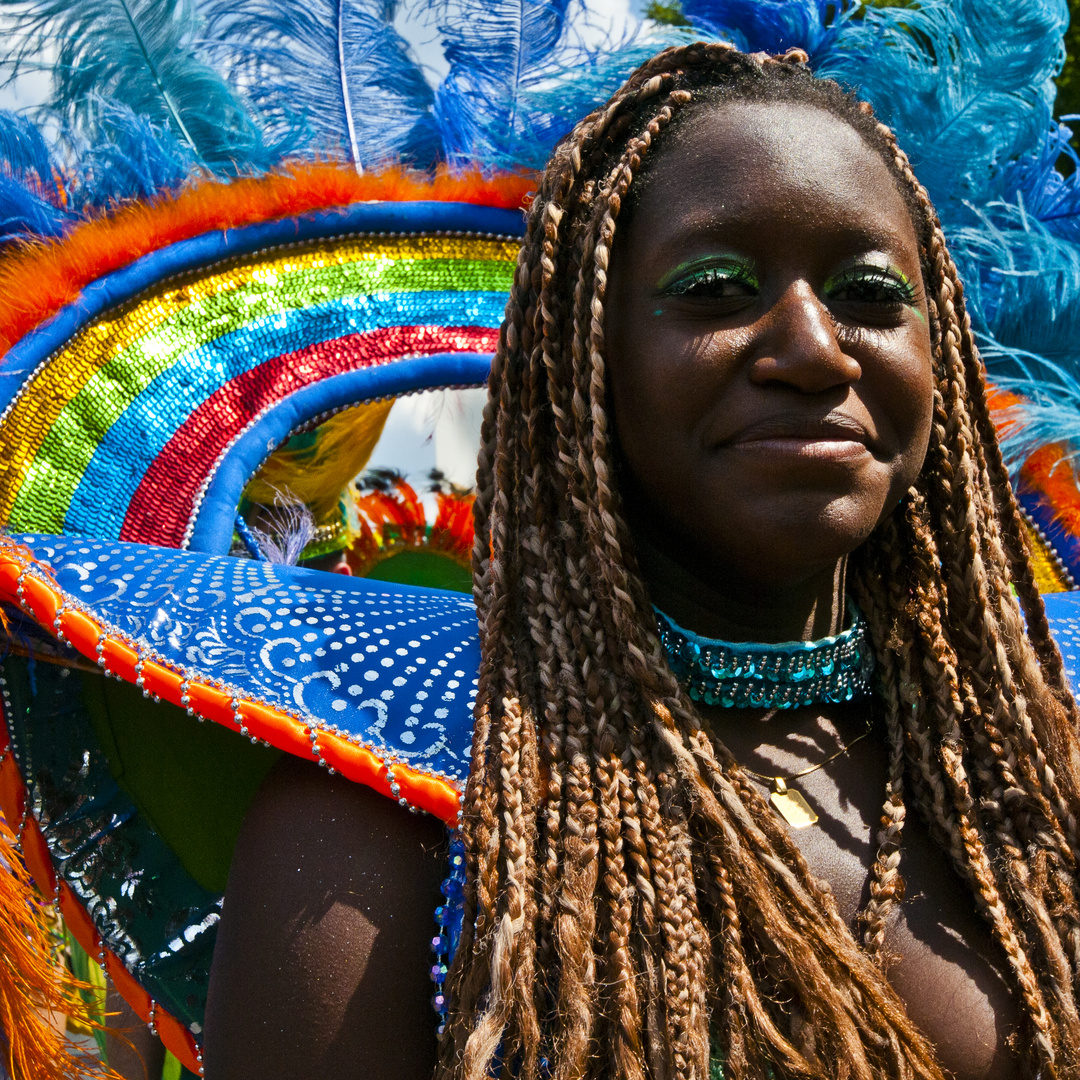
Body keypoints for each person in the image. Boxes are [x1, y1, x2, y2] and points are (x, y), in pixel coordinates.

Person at [201, 41, 1080, 1080]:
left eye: (871, 294)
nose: (812, 348)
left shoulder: (1037, 758)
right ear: (587, 360)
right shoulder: (386, 808)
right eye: (716, 289)